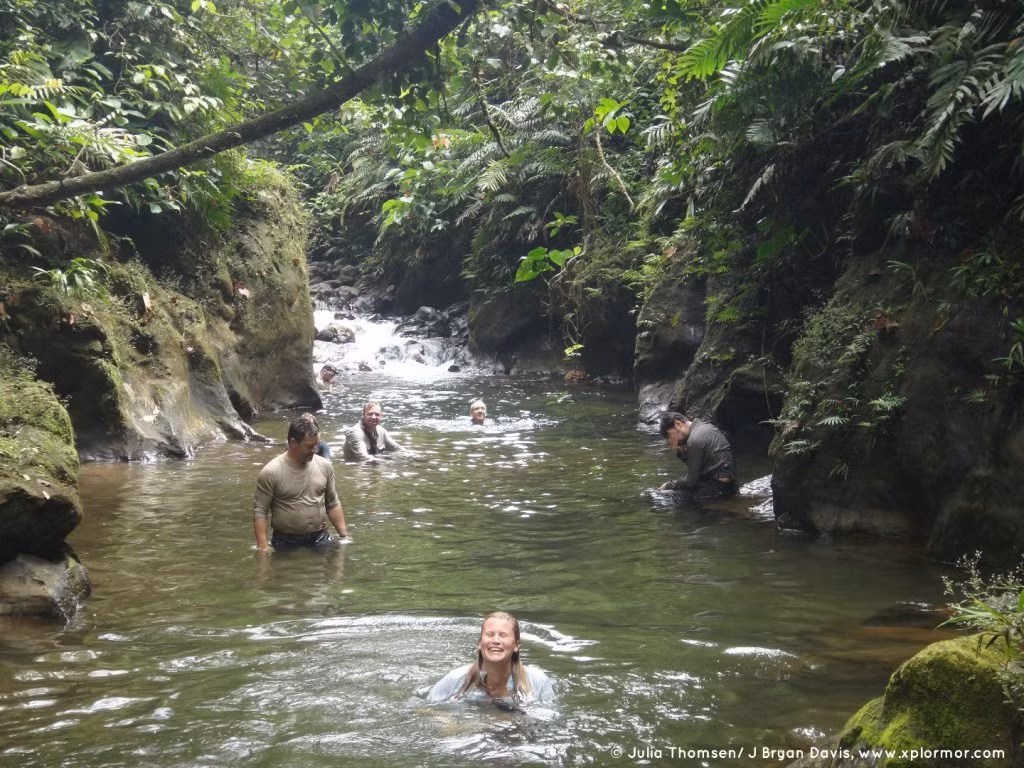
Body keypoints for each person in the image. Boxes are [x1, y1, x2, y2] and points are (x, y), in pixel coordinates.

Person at [253, 415, 350, 551]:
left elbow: (333, 503)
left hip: (320, 538)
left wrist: (344, 536)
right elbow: (260, 512)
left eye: (316, 445)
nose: (315, 450)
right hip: (286, 541)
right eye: (309, 446)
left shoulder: (325, 466)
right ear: (293, 443)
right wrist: (263, 547)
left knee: (331, 571)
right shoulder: (271, 472)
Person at [425, 612, 555, 707]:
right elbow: (422, 708)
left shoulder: (538, 681)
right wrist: (444, 720)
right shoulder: (456, 678)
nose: (496, 640)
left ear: (516, 645)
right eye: (489, 635)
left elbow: (550, 720)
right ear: (480, 643)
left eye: (503, 635)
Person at [658, 411, 737, 498]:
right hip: (730, 485)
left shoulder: (694, 440)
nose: (670, 440)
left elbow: (691, 482)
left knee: (662, 495)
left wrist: (669, 484)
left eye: (669, 435)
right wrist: (680, 450)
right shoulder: (704, 426)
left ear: (678, 423)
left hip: (717, 488)